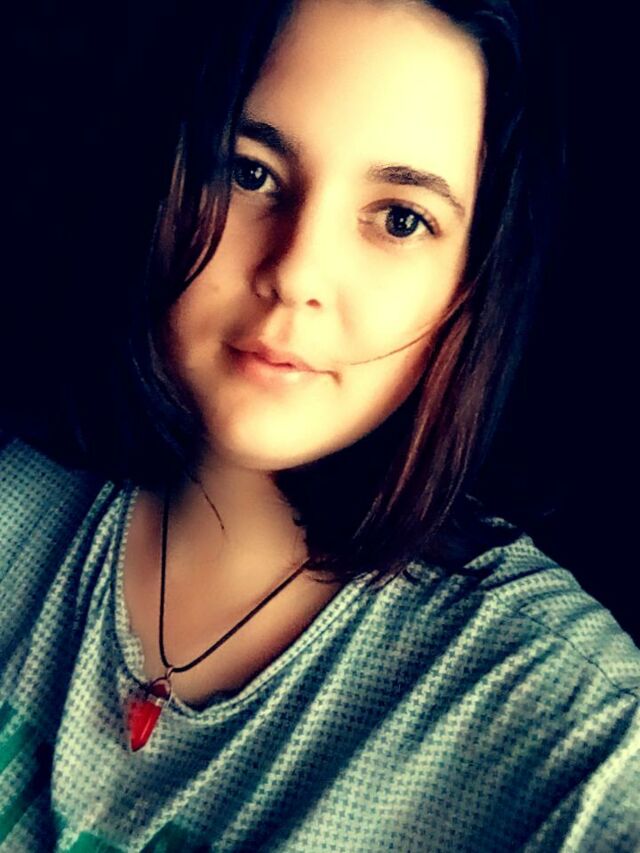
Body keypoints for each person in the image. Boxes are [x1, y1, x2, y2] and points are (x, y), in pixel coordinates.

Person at [1, 0, 638, 850]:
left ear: (474, 283)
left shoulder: (567, 732)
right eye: (251, 172)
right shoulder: (20, 494)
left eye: (400, 218)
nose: (296, 270)